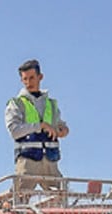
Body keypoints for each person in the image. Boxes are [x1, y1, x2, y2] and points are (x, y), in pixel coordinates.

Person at [4, 59, 70, 192]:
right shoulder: (17, 104)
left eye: (32, 78)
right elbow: (14, 130)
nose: (29, 82)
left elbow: (59, 124)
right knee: (19, 200)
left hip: (50, 161)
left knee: (60, 198)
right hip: (28, 160)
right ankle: (1, 208)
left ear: (40, 77)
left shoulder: (51, 104)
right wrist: (40, 126)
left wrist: (63, 130)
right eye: (25, 79)